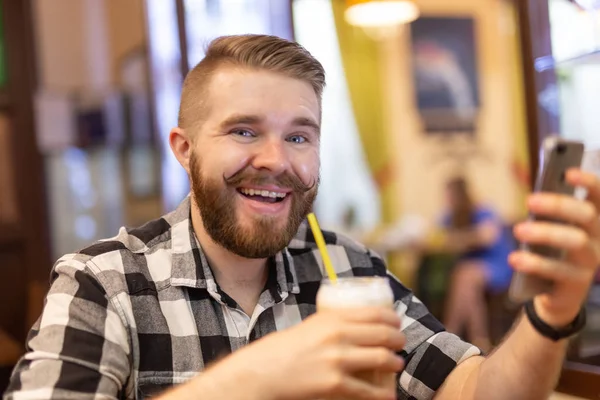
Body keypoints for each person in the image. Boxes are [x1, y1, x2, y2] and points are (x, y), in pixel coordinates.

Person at [5, 35, 600, 400]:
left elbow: (477, 393)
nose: (276, 161)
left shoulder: (352, 270)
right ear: (184, 148)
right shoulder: (101, 282)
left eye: (299, 136)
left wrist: (552, 313)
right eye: (244, 131)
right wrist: (253, 381)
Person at [438, 177, 514, 351]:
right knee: (464, 278)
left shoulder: (482, 211)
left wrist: (460, 239)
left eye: (450, 196)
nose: (447, 200)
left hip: (496, 265)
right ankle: (479, 340)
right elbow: (439, 238)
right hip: (469, 270)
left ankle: (451, 333)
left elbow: (488, 236)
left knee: (464, 275)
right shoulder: (450, 217)